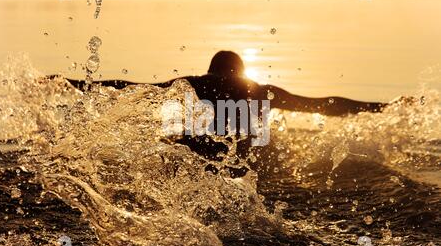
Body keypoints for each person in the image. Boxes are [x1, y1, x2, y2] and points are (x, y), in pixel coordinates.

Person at [66, 51, 388, 176]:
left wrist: (73, 83)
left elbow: (126, 86)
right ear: (240, 73)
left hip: (194, 169)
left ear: (211, 71)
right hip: (241, 172)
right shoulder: (259, 91)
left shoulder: (191, 84)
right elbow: (324, 104)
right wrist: (378, 108)